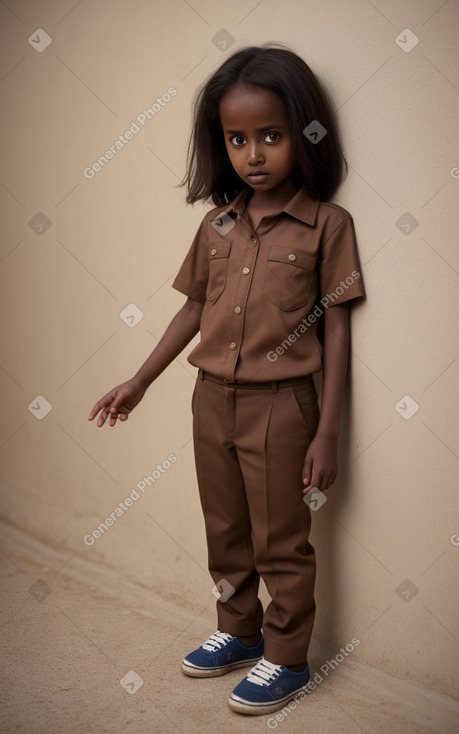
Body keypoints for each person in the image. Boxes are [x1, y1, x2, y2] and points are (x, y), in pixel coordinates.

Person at [88, 44, 365, 716]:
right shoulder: (216, 226)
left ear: (304, 133)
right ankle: (238, 631)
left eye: (270, 135)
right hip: (209, 399)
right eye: (236, 139)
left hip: (281, 407)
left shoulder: (327, 226)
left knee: (279, 537)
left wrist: (327, 432)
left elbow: (334, 328)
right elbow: (191, 308)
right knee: (225, 527)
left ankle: (286, 656)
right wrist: (140, 380)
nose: (254, 154)